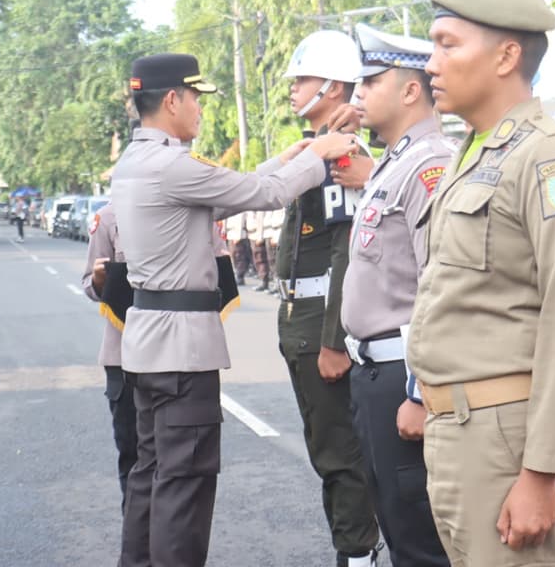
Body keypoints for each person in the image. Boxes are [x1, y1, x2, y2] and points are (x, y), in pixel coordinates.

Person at [112, 53, 355, 567]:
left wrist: (290, 159)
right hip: (183, 351)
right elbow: (263, 195)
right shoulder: (173, 165)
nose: (200, 109)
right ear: (173, 99)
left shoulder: (140, 161)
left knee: (149, 476)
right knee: (184, 483)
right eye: (196, 98)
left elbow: (226, 196)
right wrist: (321, 154)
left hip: (148, 345)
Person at [406, 0, 555, 566]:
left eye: (448, 44)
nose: (432, 63)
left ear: (506, 56)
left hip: (506, 438)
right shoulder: (476, 152)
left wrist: (544, 470)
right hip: (459, 429)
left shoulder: (550, 156)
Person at [337, 24, 453, 566]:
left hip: (402, 376)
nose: (357, 94)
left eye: (370, 82)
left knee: (420, 541)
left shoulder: (429, 164)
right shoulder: (394, 162)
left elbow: (440, 284)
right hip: (373, 375)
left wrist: (418, 391)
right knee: (396, 521)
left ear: (411, 90)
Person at [277, 30, 381, 567]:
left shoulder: (342, 153)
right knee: (328, 447)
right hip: (300, 315)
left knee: (339, 451)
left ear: (334, 87)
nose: (294, 88)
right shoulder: (317, 146)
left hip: (321, 320)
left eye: (304, 79)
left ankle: (358, 553)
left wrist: (334, 340)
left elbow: (346, 253)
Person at [81, 201, 138, 502]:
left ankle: (171, 545)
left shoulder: (186, 207)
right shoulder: (108, 217)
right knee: (132, 454)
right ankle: (137, 544)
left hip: (176, 356)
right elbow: (88, 283)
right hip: (123, 356)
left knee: (179, 461)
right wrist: (98, 280)